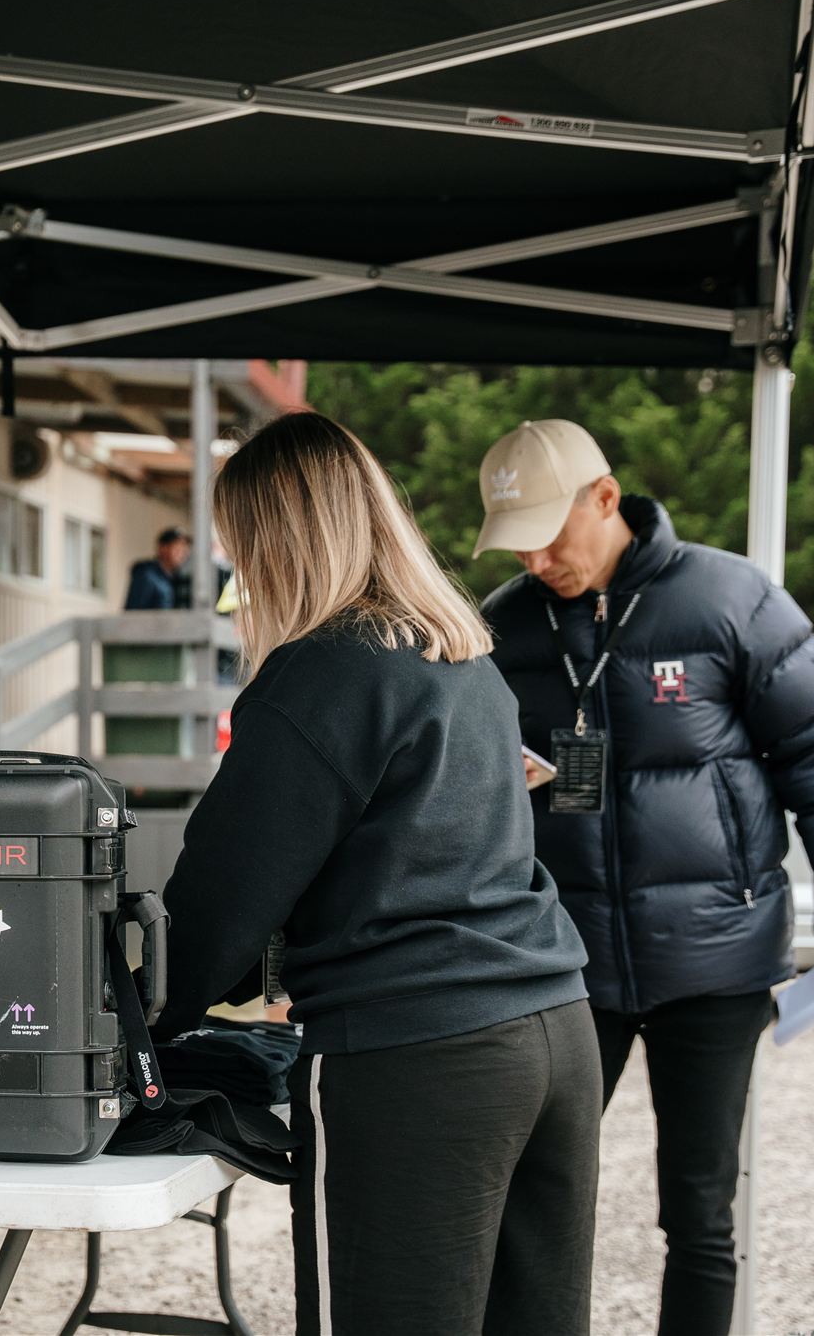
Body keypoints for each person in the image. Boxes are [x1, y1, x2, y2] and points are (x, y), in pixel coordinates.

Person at [156, 411, 599, 1336]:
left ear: (272, 541)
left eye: (241, 548)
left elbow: (220, 902)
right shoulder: (460, 656)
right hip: (555, 1028)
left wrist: (135, 1017)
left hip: (419, 1056)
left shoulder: (320, 671)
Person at [473, 418, 814, 1336]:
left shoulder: (730, 598)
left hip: (717, 961)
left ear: (606, 496)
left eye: (556, 530)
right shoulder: (500, 629)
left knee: (699, 1214)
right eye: (521, 541)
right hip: (566, 965)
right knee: (533, 1198)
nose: (541, 556)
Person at [125, 525, 192, 609]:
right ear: (163, 548)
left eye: (184, 548)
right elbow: (134, 613)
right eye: (177, 548)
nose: (183, 553)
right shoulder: (147, 576)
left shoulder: (174, 579)